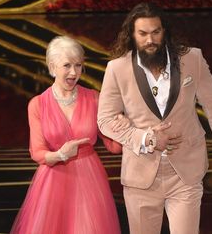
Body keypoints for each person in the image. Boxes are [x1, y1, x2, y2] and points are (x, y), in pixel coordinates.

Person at [97, 2, 212, 234]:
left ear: (164, 31)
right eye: (142, 33)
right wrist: (146, 138)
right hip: (140, 176)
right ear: (132, 35)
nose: (150, 40)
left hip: (185, 172)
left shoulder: (192, 59)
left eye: (156, 32)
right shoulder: (117, 69)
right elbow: (105, 119)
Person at [11, 36, 127, 234]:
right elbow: (37, 152)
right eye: (67, 65)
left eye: (78, 65)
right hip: (52, 180)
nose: (74, 72)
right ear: (52, 66)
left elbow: (114, 147)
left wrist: (122, 127)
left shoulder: (94, 100)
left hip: (89, 180)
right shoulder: (38, 104)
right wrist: (60, 155)